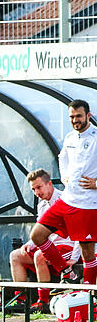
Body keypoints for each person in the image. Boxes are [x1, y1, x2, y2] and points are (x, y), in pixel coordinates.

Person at [30, 99, 97, 285]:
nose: (75, 120)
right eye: (72, 117)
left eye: (79, 116)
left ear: (88, 116)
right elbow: (63, 158)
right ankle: (67, 272)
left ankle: (89, 297)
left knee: (87, 252)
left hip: (88, 203)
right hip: (67, 200)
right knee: (37, 235)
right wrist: (65, 176)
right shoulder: (69, 138)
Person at [9, 169, 75, 313]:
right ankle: (21, 300)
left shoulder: (65, 199)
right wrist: (29, 244)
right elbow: (40, 231)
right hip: (49, 246)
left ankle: (43, 302)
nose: (37, 192)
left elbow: (78, 231)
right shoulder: (42, 204)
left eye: (39, 187)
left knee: (40, 255)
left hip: (67, 246)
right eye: (33, 189)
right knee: (15, 256)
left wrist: (76, 257)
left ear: (49, 184)